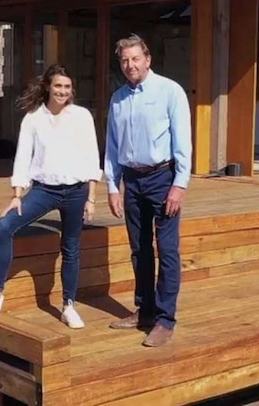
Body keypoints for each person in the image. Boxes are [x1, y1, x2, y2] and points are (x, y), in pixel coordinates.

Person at [0, 64, 102, 329]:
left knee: (71, 247)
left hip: (76, 193)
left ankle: (69, 306)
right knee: (5, 226)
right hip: (44, 190)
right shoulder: (33, 118)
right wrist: (17, 194)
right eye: (58, 86)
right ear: (48, 87)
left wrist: (91, 197)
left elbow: (91, 156)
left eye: (67, 87)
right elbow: (22, 158)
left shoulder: (82, 116)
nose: (63, 91)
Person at [104, 34, 192, 347]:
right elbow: (112, 148)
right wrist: (113, 187)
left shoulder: (169, 91)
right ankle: (145, 310)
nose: (130, 65)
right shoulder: (117, 99)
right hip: (132, 181)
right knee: (139, 250)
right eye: (125, 60)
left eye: (135, 58)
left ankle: (165, 320)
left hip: (162, 179)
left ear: (148, 59)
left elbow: (183, 142)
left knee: (167, 250)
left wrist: (179, 185)